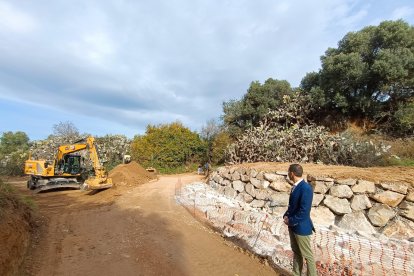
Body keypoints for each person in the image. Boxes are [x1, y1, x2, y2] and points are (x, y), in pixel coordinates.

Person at [283, 164, 317, 276]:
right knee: (296, 252)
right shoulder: (296, 186)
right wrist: (286, 215)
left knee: (308, 256)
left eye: (288, 172)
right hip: (293, 226)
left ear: (292, 173)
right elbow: (292, 206)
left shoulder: (305, 188)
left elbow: (304, 212)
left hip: (301, 227)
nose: (288, 174)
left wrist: (290, 220)